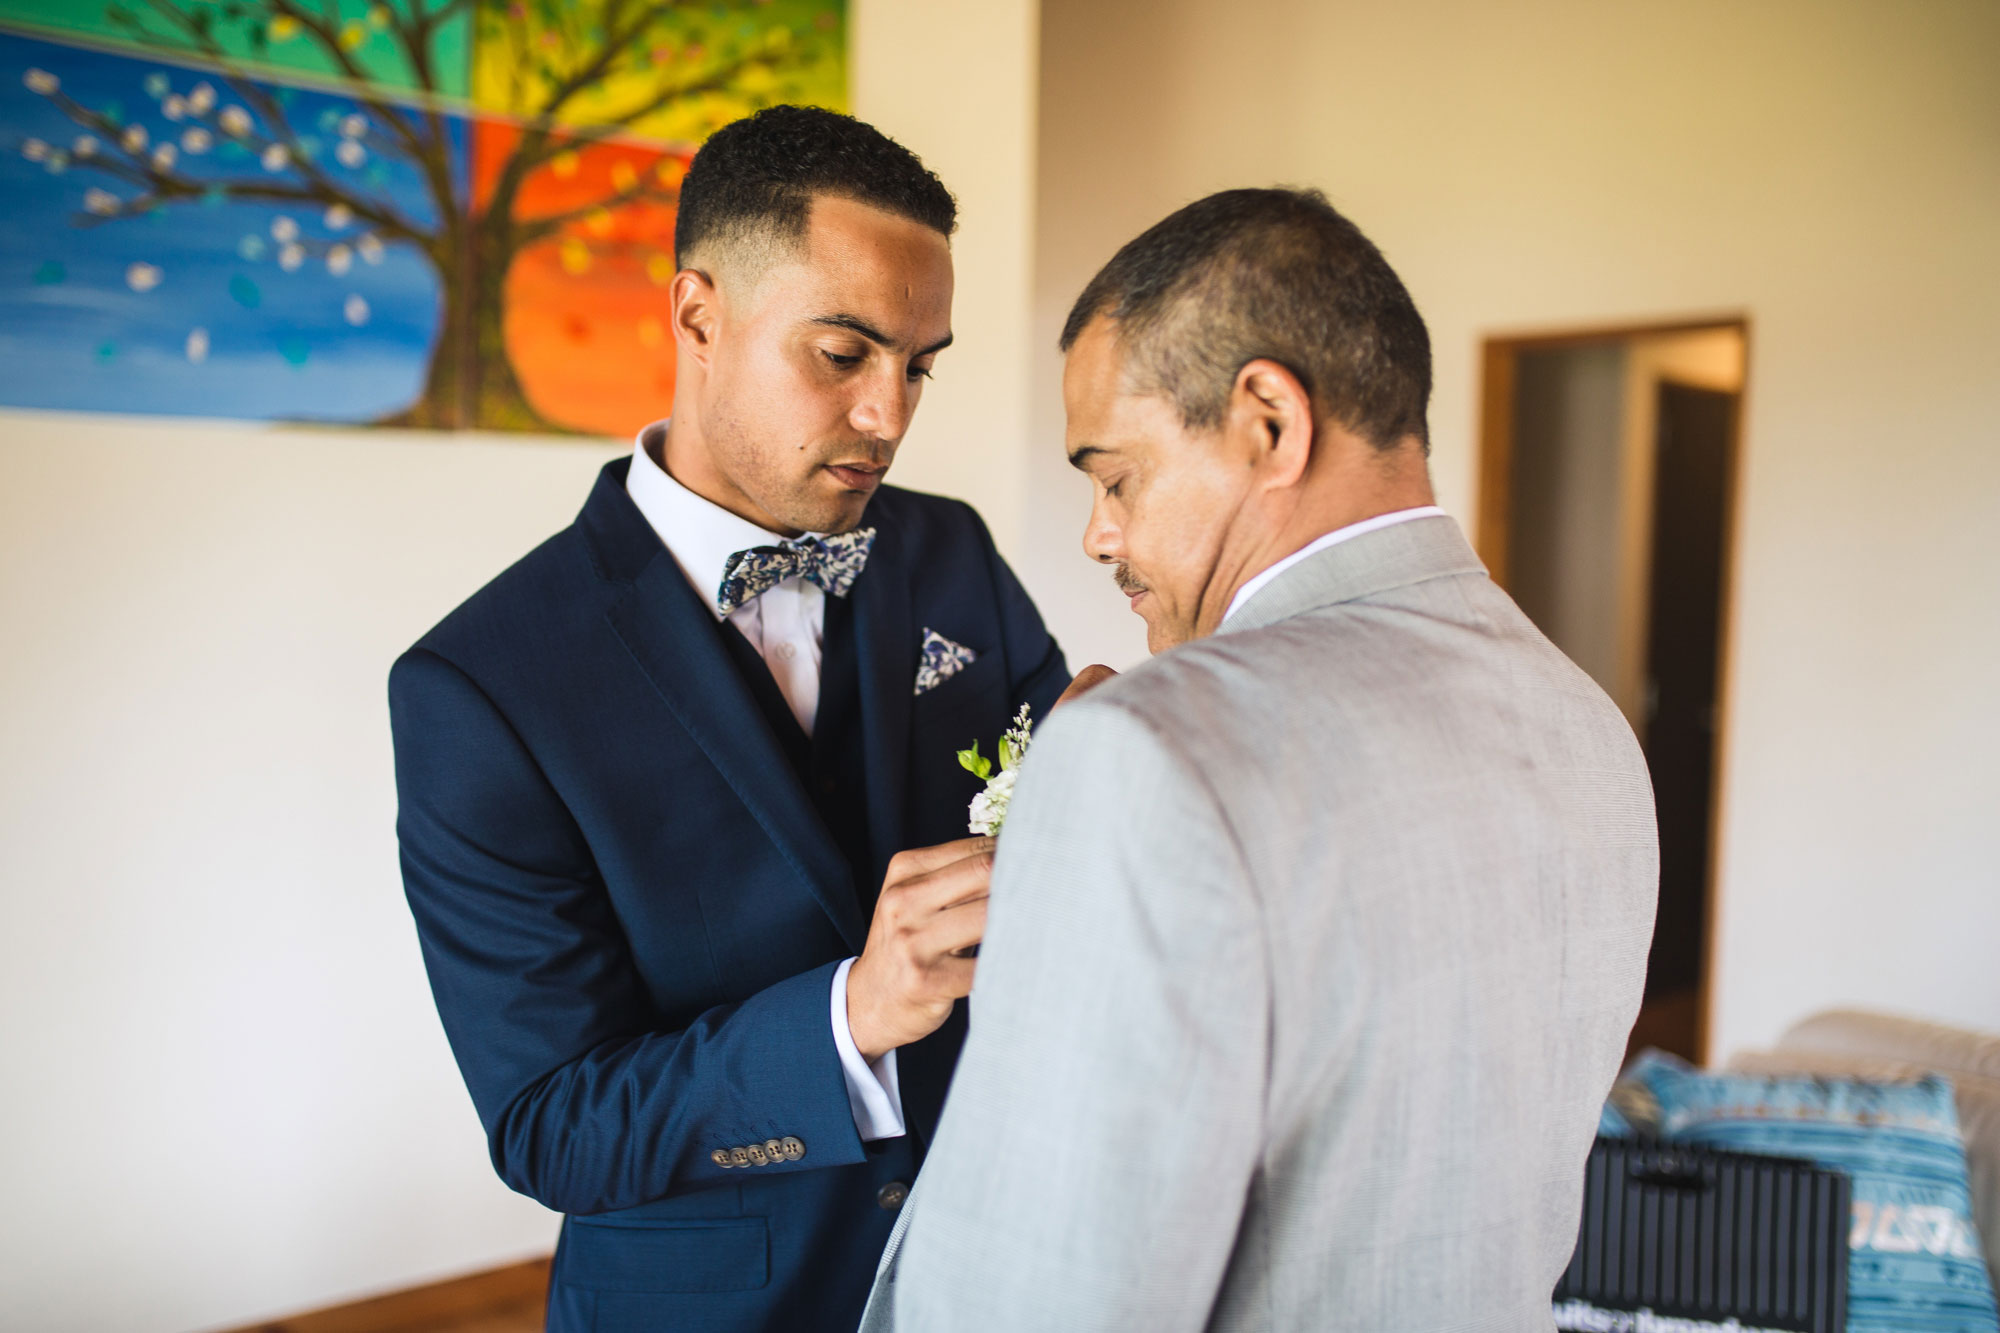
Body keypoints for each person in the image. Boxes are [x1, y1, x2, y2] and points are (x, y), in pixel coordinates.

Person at [863, 188, 1659, 1331]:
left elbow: (1036, 1295)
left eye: (1116, 475)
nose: (1097, 531)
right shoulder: (1584, 725)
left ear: (1267, 423)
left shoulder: (1147, 755)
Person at [388, 106, 1070, 1333]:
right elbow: (551, 1122)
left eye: (919, 364)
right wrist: (847, 1018)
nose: (890, 415)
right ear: (696, 315)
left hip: (992, 1264)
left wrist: (1111, 769)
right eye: (842, 353)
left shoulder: (948, 548)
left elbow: (1058, 829)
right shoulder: (479, 687)